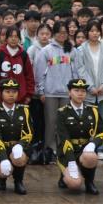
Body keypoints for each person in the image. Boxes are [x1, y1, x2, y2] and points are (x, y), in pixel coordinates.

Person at [71, 21, 103, 155]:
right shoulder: (81, 50)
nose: (95, 33)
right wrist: (90, 86)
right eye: (92, 31)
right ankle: (85, 147)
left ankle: (100, 148)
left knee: (102, 120)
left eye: (97, 31)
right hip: (87, 92)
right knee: (86, 120)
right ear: (87, 33)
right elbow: (80, 69)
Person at [54, 79, 103, 195]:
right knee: (75, 184)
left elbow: (102, 132)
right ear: (69, 92)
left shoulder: (93, 111)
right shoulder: (62, 112)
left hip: (85, 150)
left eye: (83, 91)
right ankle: (64, 175)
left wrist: (93, 144)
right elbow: (64, 139)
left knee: (91, 157)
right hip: (67, 152)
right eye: (76, 90)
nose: (80, 93)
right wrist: (71, 161)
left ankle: (89, 182)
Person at [35, 22, 74, 164]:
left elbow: (76, 71)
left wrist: (75, 90)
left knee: (64, 123)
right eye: (59, 32)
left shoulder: (72, 50)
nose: (62, 35)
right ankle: (49, 151)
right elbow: (39, 73)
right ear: (54, 33)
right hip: (50, 93)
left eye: (65, 33)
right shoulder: (46, 51)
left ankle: (62, 150)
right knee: (51, 122)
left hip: (67, 93)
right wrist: (41, 91)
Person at [0, 79, 33, 195]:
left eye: (14, 91)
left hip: (18, 147)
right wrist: (3, 158)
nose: (11, 94)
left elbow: (29, 133)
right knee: (2, 170)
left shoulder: (24, 110)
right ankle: (1, 179)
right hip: (2, 147)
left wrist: (20, 145)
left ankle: (18, 181)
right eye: (7, 91)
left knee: (19, 158)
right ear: (1, 93)